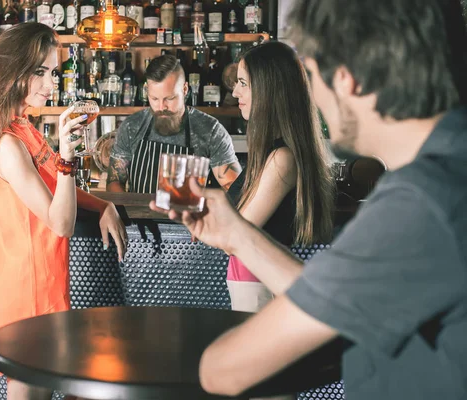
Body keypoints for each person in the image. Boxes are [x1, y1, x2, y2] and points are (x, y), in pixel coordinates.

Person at [151, 0, 467, 398]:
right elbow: (338, 304)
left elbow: (222, 370)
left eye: (313, 75)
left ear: (347, 78)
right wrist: (236, 235)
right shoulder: (450, 172)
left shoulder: (419, 207)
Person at [0, 23, 127, 400]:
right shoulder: (6, 144)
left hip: (45, 283)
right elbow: (60, 221)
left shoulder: (24, 130)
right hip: (26, 291)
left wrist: (102, 204)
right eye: (40, 72)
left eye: (52, 72)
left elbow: (56, 189)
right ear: (13, 71)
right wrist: (68, 157)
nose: (51, 84)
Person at [226, 41, 334, 312]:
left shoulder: (282, 159)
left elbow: (235, 237)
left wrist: (205, 209)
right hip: (251, 281)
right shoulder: (270, 153)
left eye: (243, 83)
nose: (235, 90)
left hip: (259, 285)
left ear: (268, 91)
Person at [107, 54, 242, 193]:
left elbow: (234, 188)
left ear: (184, 89)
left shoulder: (210, 130)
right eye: (154, 98)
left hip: (188, 214)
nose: (161, 107)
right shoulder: (131, 126)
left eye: (169, 98)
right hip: (137, 214)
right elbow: (114, 181)